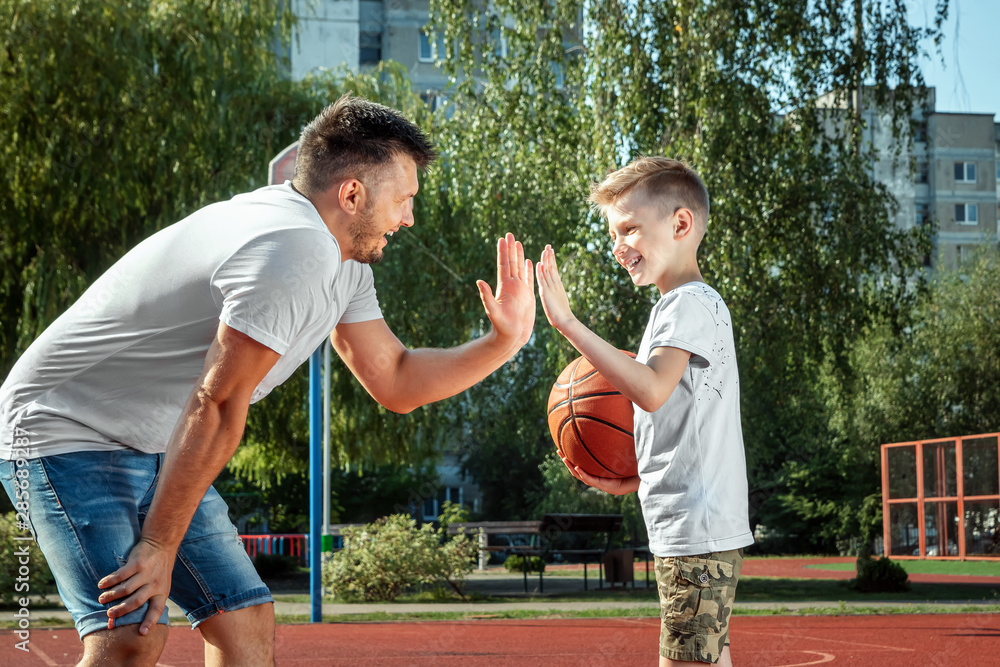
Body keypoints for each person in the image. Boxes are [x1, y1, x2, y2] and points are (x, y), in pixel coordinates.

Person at [0, 94, 535, 666]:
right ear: (351, 194)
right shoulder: (292, 248)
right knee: (128, 636)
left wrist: (502, 342)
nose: (409, 218)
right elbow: (218, 402)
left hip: (153, 437)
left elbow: (396, 380)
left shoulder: (343, 261)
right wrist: (157, 545)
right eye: (404, 200)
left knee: (243, 622)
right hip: (62, 428)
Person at [535, 156, 752, 666]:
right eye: (614, 234)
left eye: (630, 229)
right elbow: (681, 426)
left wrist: (568, 323)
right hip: (695, 525)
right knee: (704, 660)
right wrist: (631, 479)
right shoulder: (685, 305)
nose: (618, 246)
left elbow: (651, 391)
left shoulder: (686, 304)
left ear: (681, 224)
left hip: (695, 531)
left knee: (683, 662)